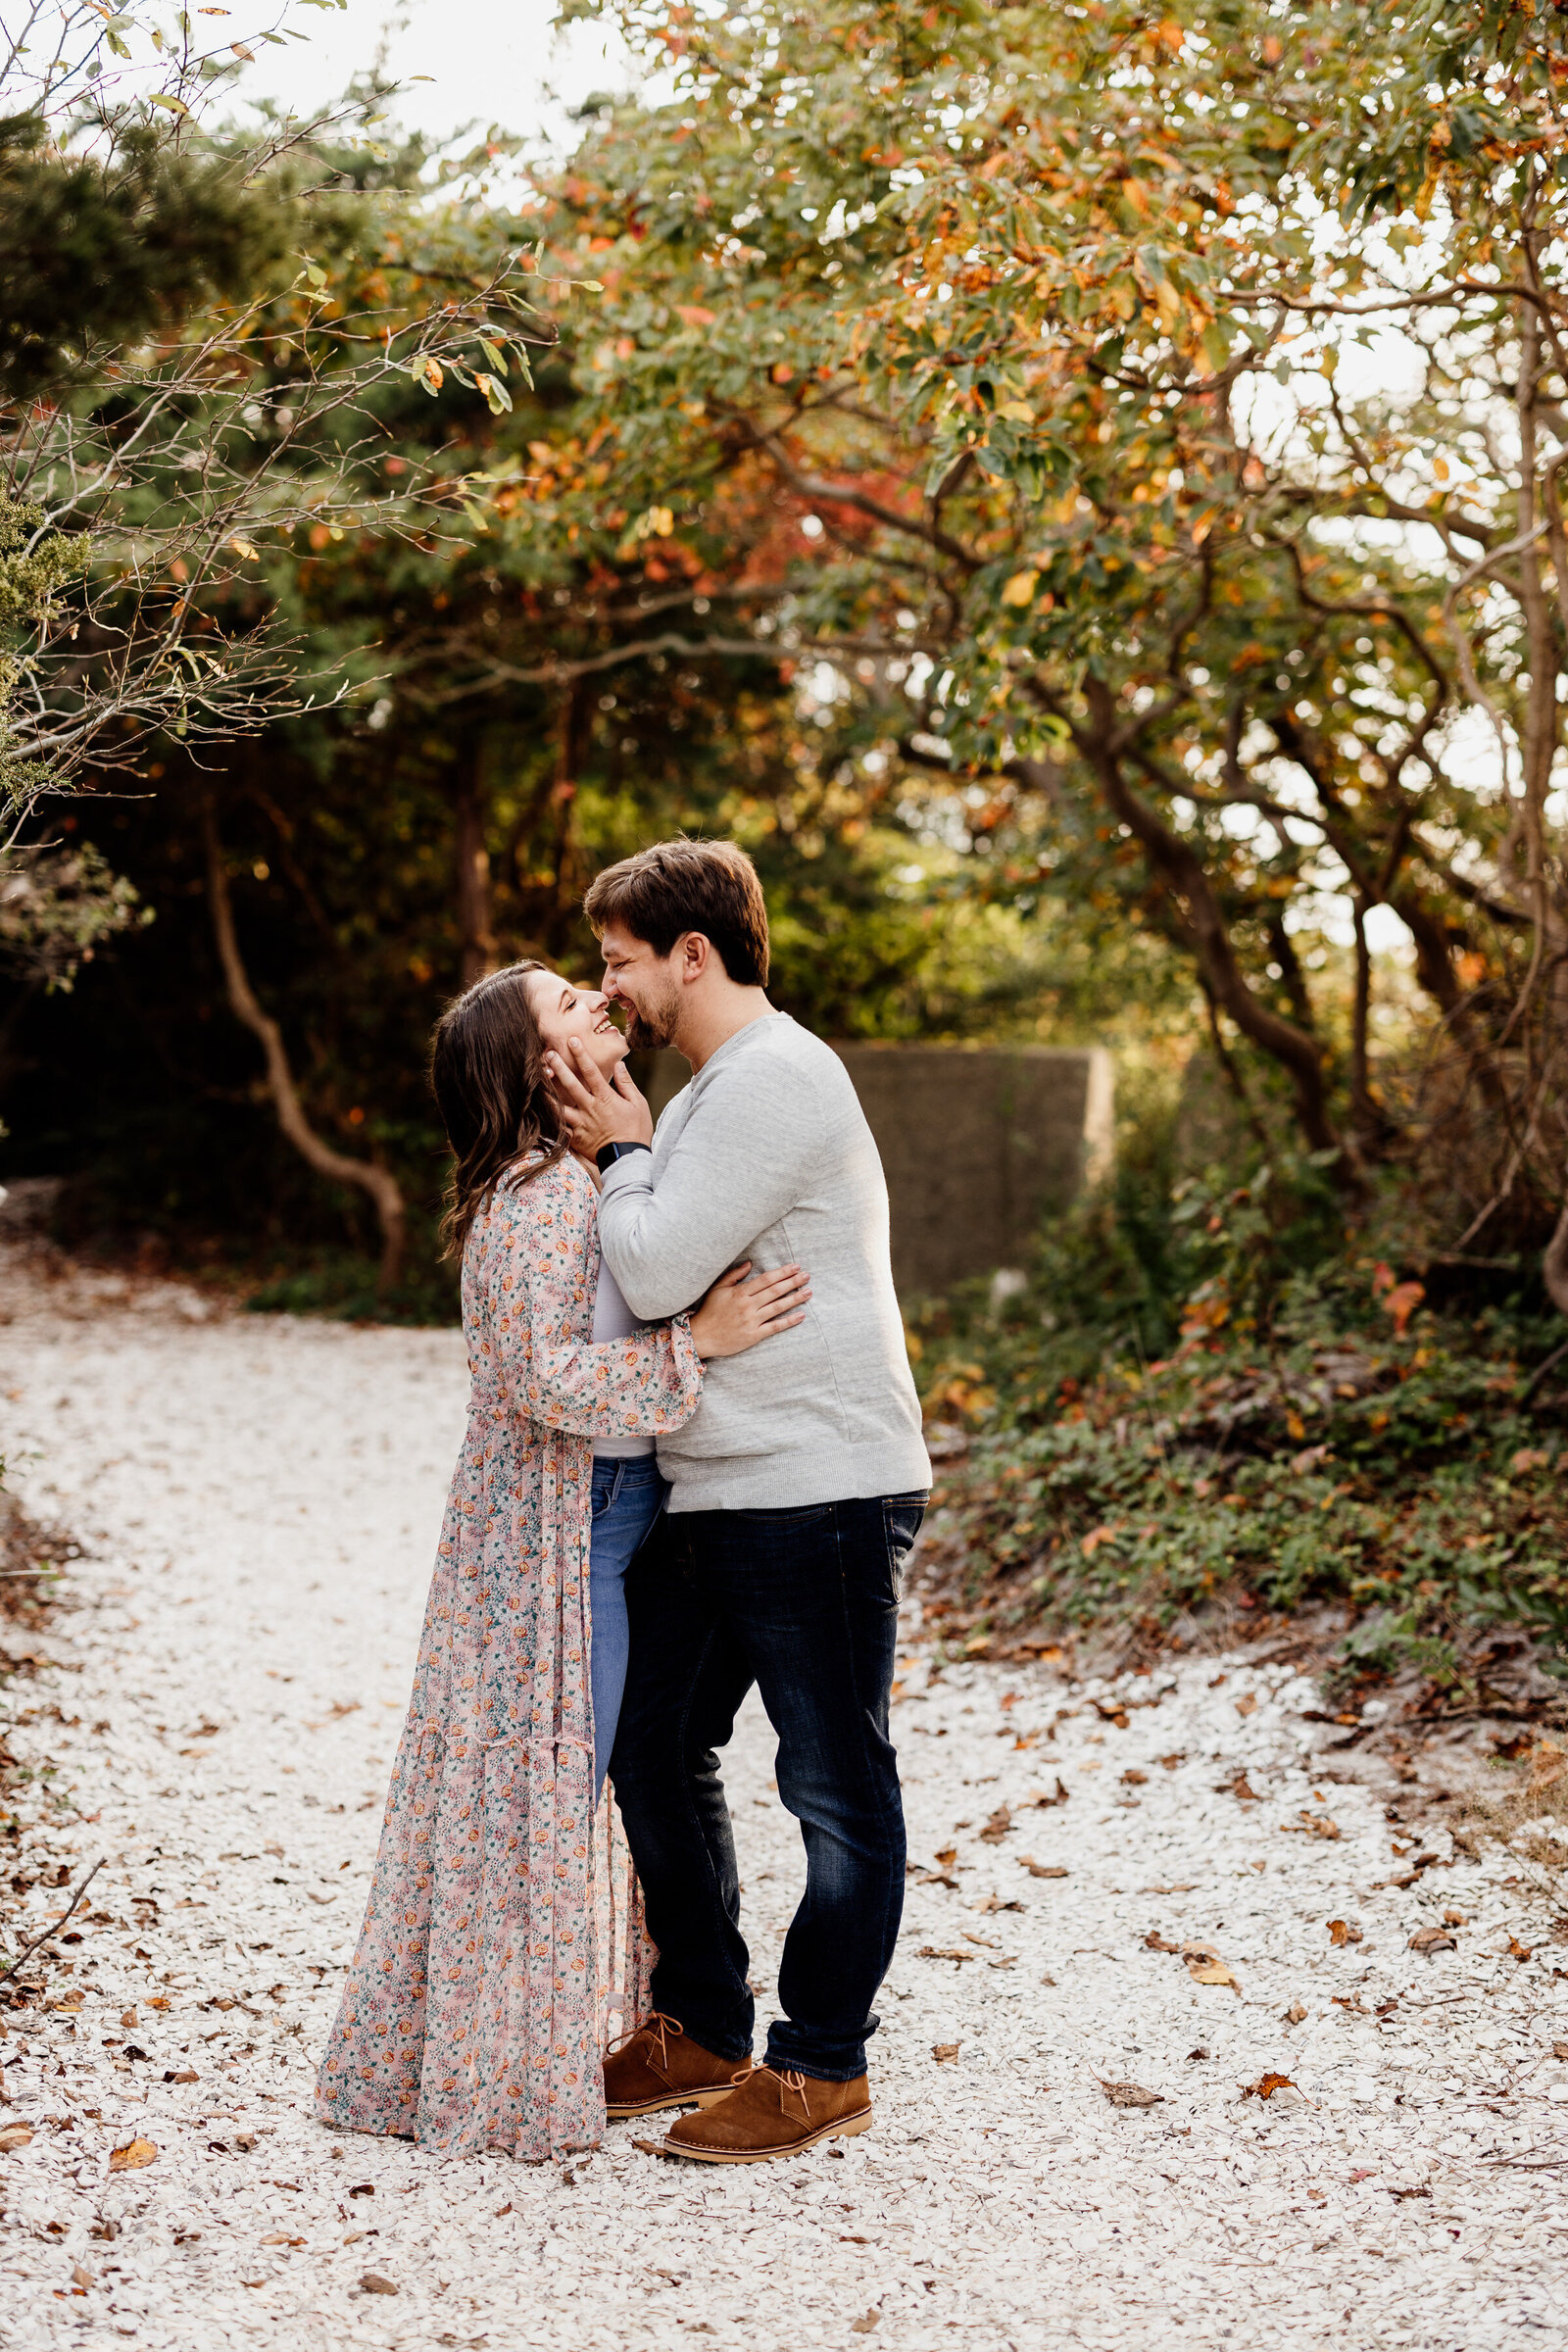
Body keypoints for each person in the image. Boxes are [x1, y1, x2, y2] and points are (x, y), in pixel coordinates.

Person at [315, 960, 809, 2163]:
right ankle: (499, 2087)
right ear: (540, 1069)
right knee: (543, 1796)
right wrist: (698, 1340)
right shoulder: (539, 1198)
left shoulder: (567, 1181)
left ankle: (508, 2056)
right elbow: (537, 1379)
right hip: (572, 1532)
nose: (602, 1004)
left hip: (609, 1516)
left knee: (549, 1792)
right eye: (572, 1007)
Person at [546, 838, 931, 2165]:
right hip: (714, 1488)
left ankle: (821, 2065)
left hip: (816, 1485)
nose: (612, 994)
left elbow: (651, 1271)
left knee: (832, 1781)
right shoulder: (719, 1086)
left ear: (691, 954)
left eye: (620, 962)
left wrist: (623, 1149)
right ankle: (703, 2022)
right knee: (648, 1743)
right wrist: (647, 1147)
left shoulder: (774, 1079)